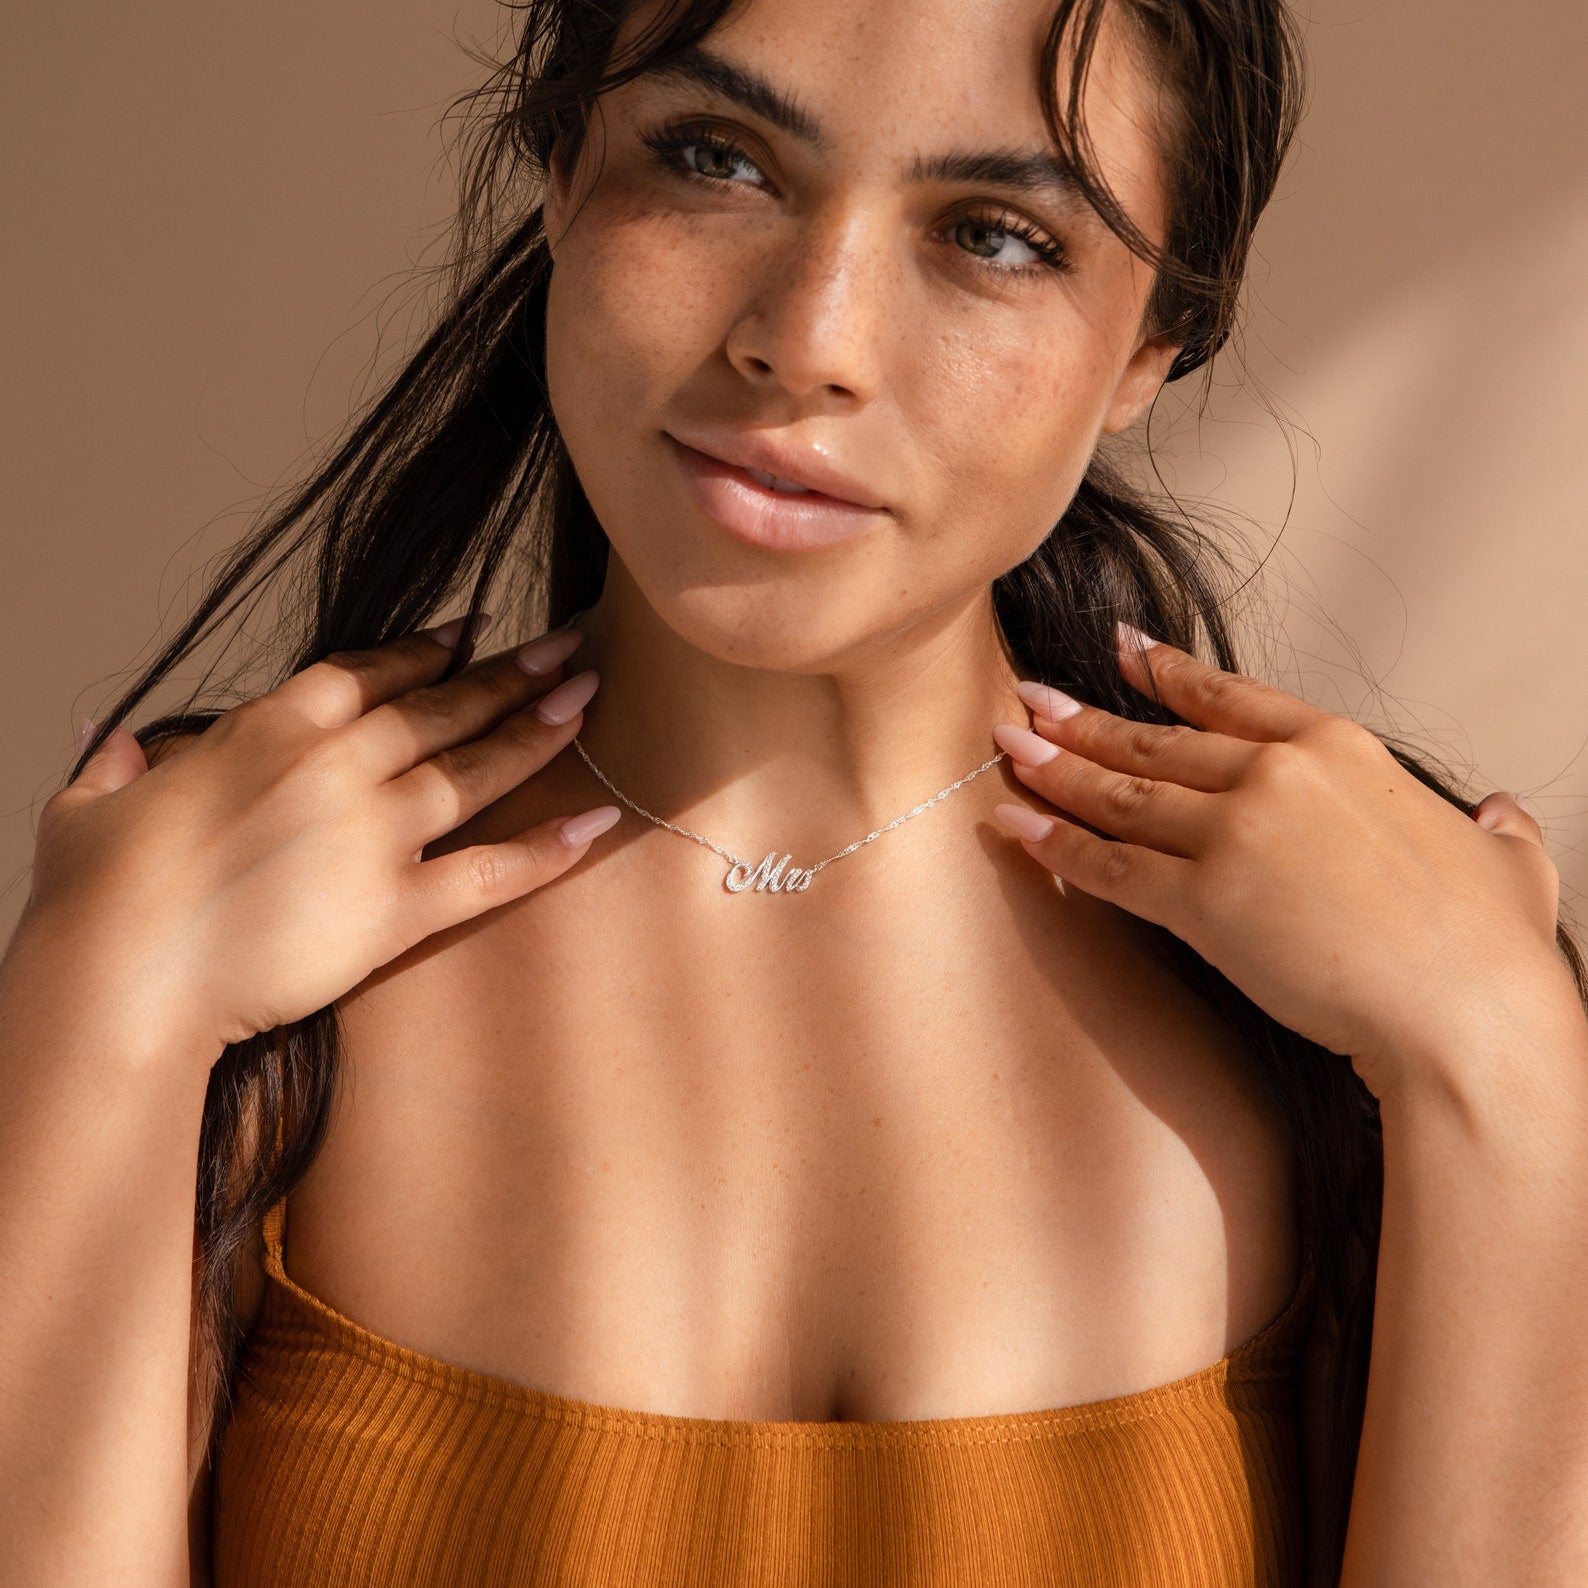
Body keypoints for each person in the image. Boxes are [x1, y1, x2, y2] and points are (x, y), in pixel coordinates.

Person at [3, 0, 1586, 1583]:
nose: (807, 339)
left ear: (1153, 346)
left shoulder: (1349, 1024)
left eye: (995, 234)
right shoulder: (228, 946)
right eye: (715, 158)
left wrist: (1497, 1071)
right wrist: (100, 1011)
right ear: (561, 171)